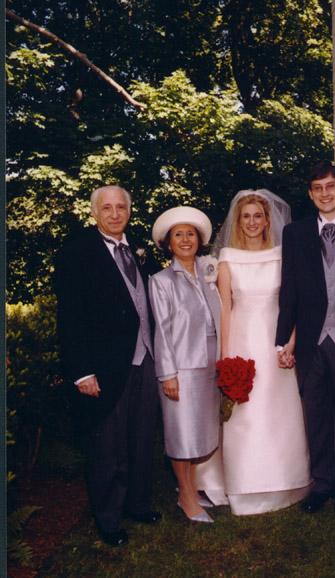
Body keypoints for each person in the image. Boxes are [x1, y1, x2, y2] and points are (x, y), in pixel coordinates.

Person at [55, 185, 161, 547]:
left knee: (142, 437)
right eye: (107, 208)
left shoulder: (140, 251)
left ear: (129, 211)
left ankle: (137, 504)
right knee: (107, 447)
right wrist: (82, 372)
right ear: (94, 212)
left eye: (121, 208)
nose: (115, 214)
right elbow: (70, 319)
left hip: (145, 359)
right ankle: (109, 518)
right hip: (104, 366)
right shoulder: (77, 253)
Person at [275, 161, 335, 518]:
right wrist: (284, 340)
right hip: (312, 338)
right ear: (310, 194)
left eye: (331, 186)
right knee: (315, 414)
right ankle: (322, 482)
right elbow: (289, 289)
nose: (325, 193)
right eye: (318, 188)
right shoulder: (295, 233)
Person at [213, 189, 312, 515]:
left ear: (267, 219)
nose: (252, 222)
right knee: (245, 415)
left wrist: (291, 343)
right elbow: (225, 309)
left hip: (277, 342)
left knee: (279, 410)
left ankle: (288, 481)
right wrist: (226, 357)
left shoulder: (282, 255)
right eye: (246, 217)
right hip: (242, 343)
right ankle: (245, 488)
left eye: (258, 216)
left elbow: (293, 303)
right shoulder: (227, 258)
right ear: (238, 222)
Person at [149, 207, 222, 523]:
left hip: (208, 364)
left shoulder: (208, 275)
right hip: (180, 368)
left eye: (190, 233)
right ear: (168, 243)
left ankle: (189, 491)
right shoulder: (161, 280)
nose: (185, 239)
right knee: (181, 435)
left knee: (198, 433)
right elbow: (161, 331)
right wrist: (168, 374)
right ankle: (186, 495)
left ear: (199, 240)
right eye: (178, 234)